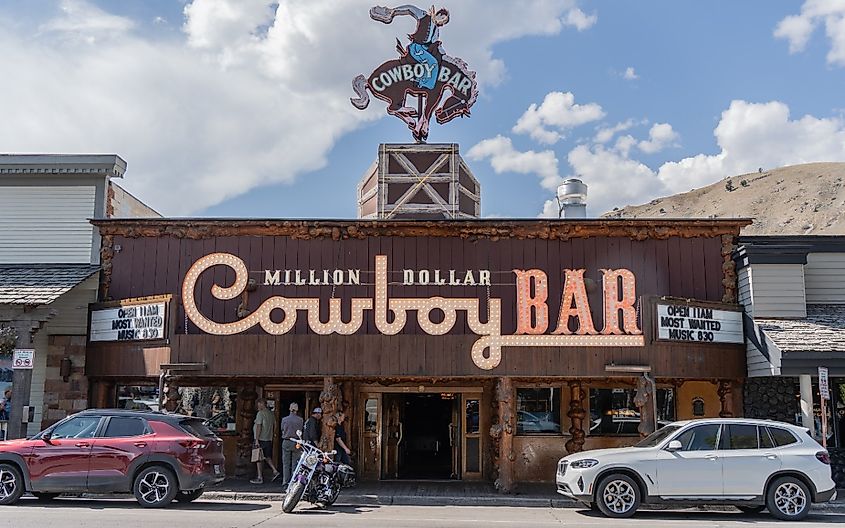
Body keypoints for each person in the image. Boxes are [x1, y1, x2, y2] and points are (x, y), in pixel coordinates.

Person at [390, 5, 450, 90]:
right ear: (439, 14)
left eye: (444, 21)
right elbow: (411, 8)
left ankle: (422, 80)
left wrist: (444, 54)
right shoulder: (424, 15)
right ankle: (424, 83)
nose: (442, 22)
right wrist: (394, 10)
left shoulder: (436, 30)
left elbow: (435, 42)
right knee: (432, 62)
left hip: (424, 49)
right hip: (416, 48)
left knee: (433, 61)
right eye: (443, 19)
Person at [250, 399, 279, 484]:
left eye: (258, 404)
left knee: (258, 458)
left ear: (262, 404)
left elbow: (259, 426)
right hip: (268, 439)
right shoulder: (271, 414)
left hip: (261, 439)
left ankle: (259, 477)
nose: (257, 406)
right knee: (267, 456)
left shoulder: (260, 414)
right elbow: (275, 425)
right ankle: (275, 471)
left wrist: (256, 440)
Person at [280, 402, 304, 487]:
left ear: (289, 409)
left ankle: (285, 481)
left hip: (286, 440)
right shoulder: (300, 420)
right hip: (296, 441)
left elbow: (282, 429)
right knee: (295, 463)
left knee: (286, 463)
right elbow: (301, 430)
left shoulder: (284, 419)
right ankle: (293, 481)